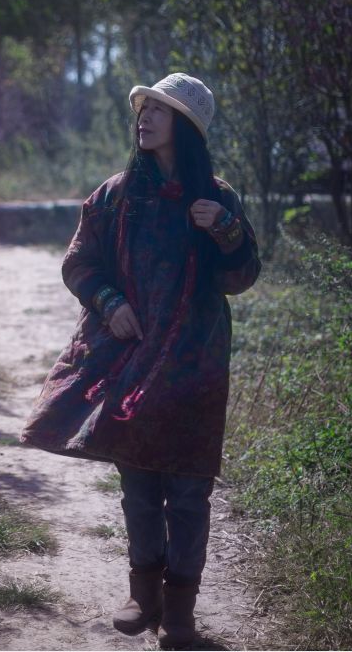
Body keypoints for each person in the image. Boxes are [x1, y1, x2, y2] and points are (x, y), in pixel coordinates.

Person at [19, 73, 261, 648]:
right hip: (130, 359)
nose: (145, 117)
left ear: (188, 127)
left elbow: (241, 278)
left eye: (160, 109)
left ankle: (180, 611)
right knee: (140, 484)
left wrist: (224, 229)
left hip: (196, 364)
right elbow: (78, 265)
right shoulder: (116, 194)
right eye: (144, 108)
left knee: (189, 489)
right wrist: (109, 302)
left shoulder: (219, 198)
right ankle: (142, 595)